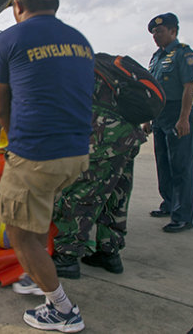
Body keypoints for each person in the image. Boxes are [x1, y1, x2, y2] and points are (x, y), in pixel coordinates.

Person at [0, 0, 93, 333]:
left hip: (35, 153)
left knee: (18, 234)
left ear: (17, 5)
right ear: (56, 4)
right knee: (37, 219)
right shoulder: (80, 40)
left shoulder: (8, 39)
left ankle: (63, 310)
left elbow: (0, 109)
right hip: (77, 153)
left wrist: (13, 142)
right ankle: (38, 275)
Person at [52, 67, 146, 279]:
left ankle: (66, 258)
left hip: (102, 136)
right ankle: (109, 252)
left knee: (78, 195)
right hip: (128, 136)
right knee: (116, 195)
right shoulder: (94, 68)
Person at [143, 13, 193, 233]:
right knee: (163, 164)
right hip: (160, 116)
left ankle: (183, 215)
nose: (155, 36)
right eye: (154, 32)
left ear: (173, 31)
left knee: (181, 166)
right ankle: (168, 203)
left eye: (160, 31)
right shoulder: (156, 57)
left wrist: (184, 118)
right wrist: (148, 119)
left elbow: (189, 87)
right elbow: (151, 90)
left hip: (177, 113)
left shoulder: (183, 54)